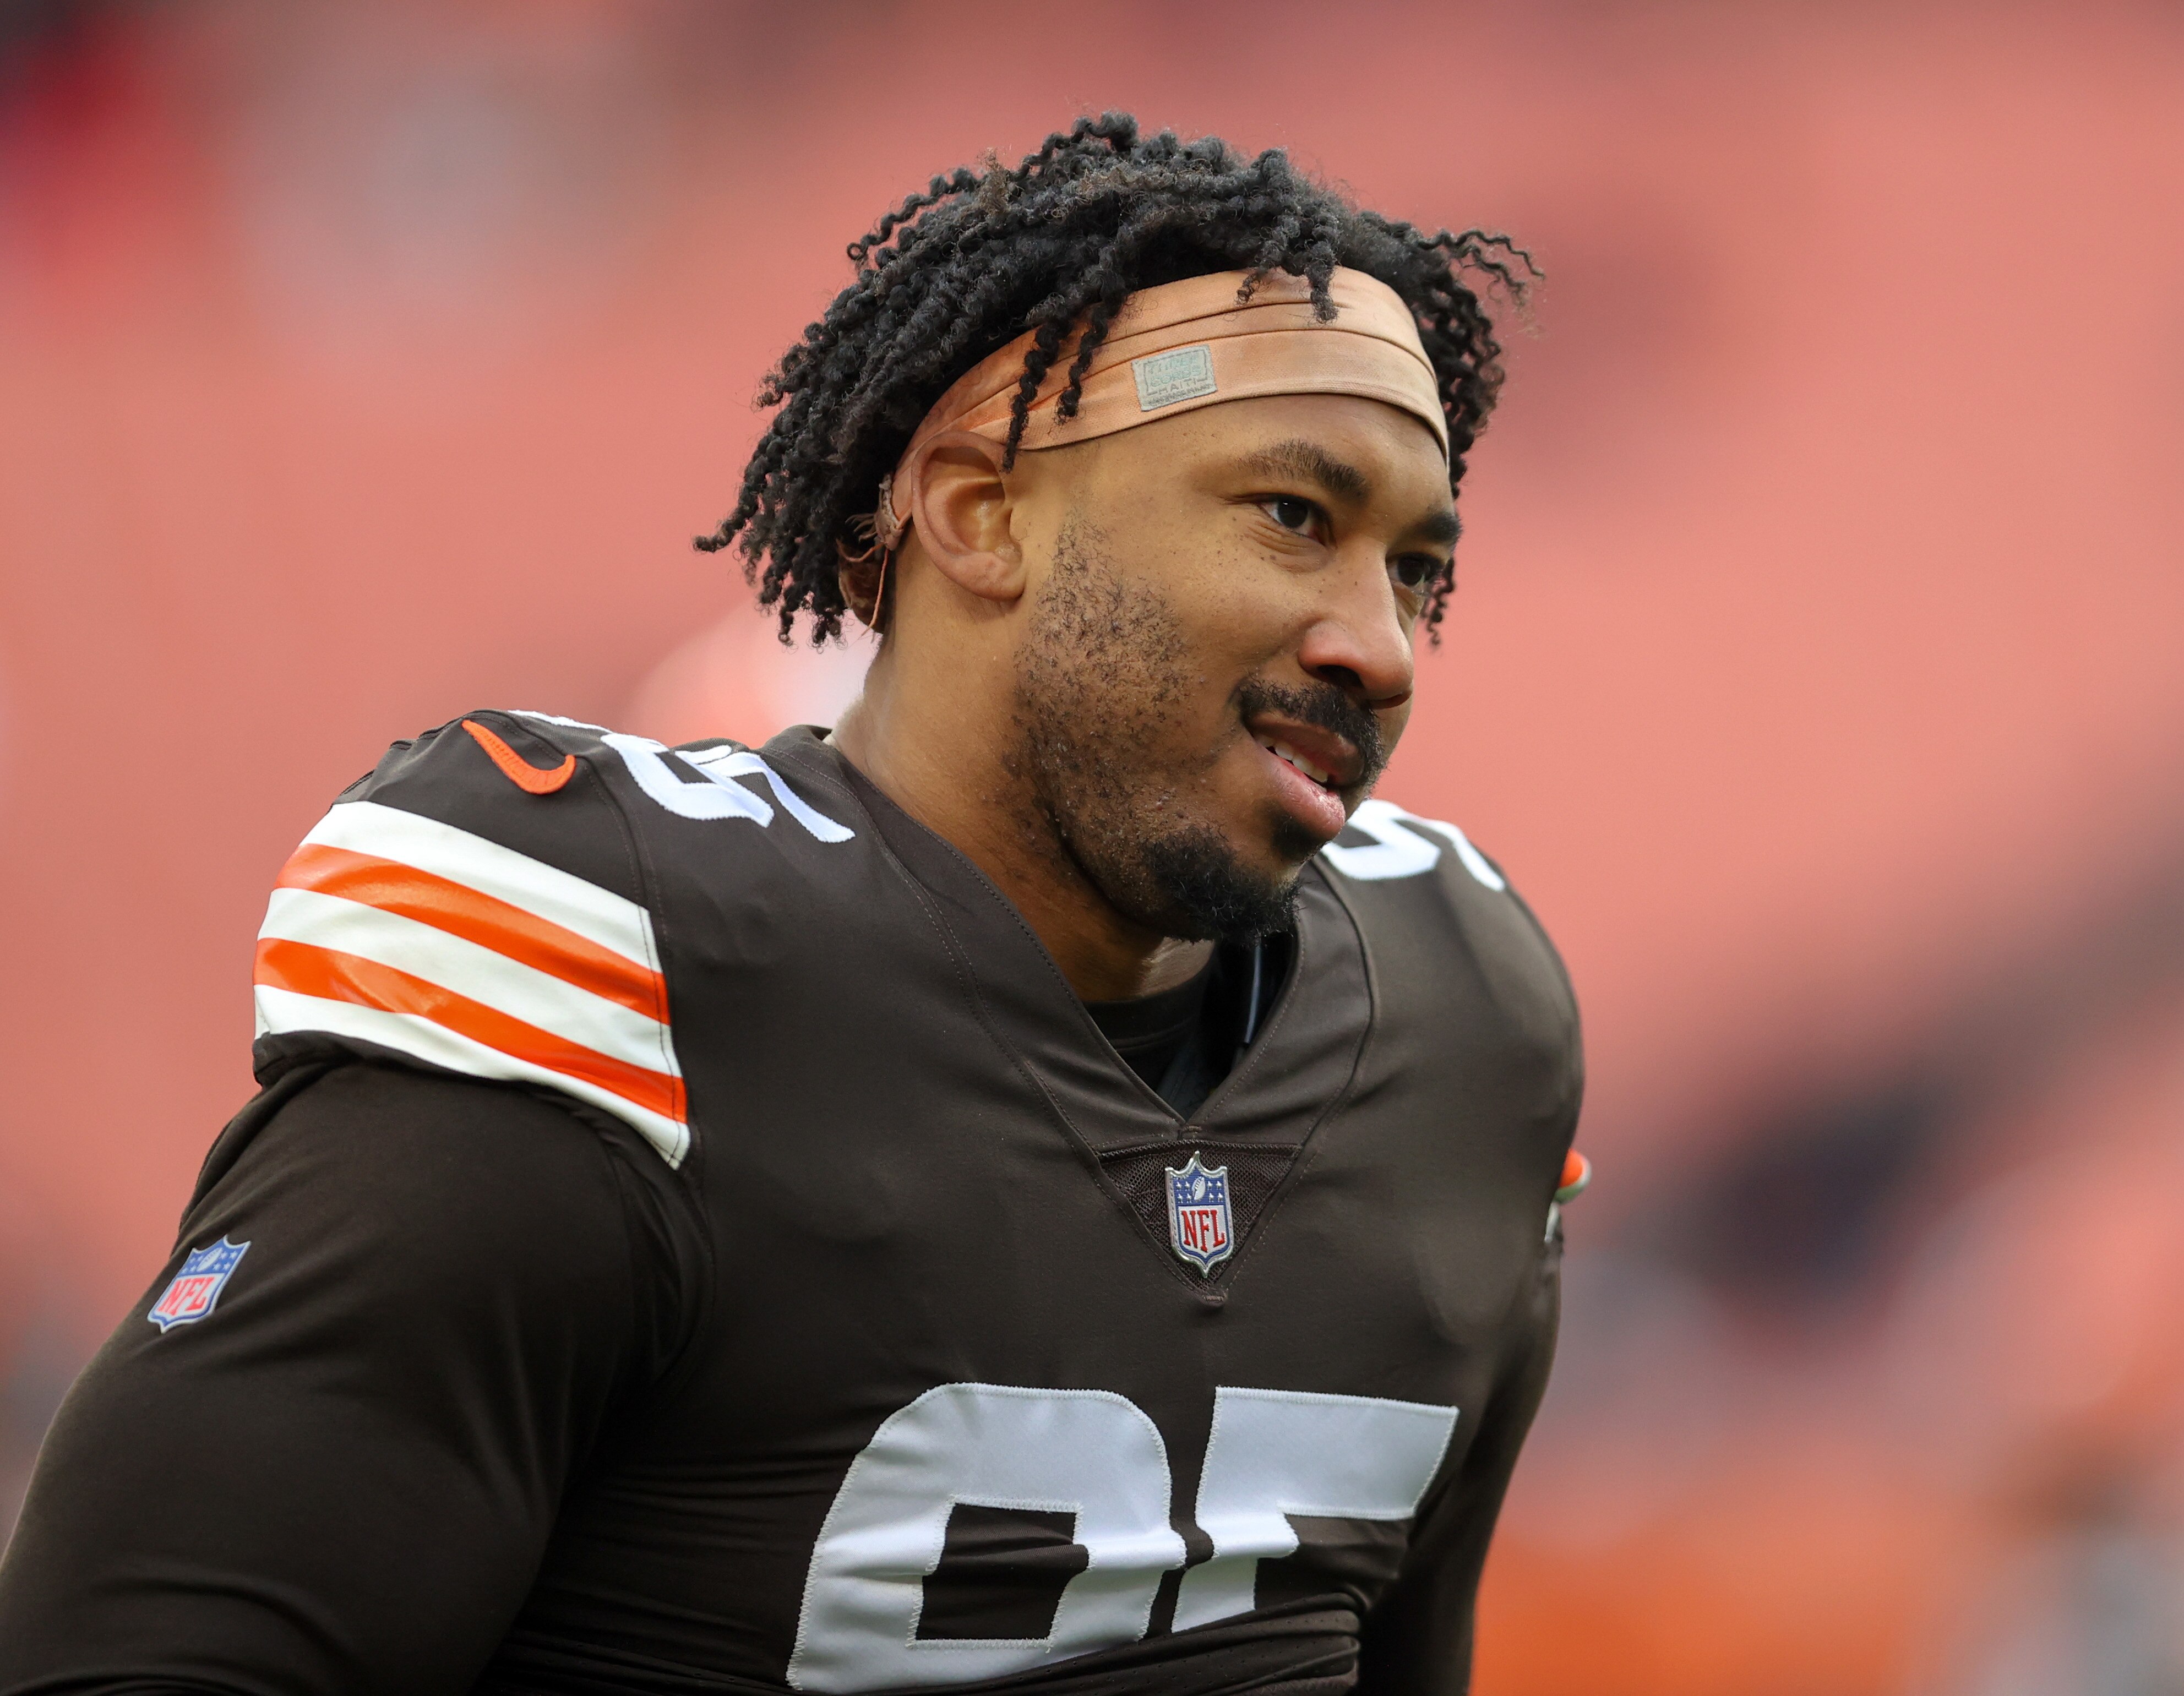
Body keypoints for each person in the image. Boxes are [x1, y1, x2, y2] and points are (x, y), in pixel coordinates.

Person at [0, 114, 1585, 1696]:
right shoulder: (631, 969)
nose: (1381, 647)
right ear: (978, 511)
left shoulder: (1467, 1024)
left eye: (1419, 572)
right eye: (1296, 518)